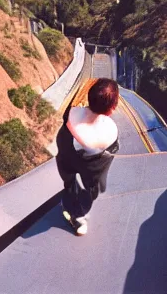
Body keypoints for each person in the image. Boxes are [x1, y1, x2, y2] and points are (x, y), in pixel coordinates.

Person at [56, 78, 120, 236]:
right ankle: (79, 213)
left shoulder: (72, 112)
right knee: (93, 187)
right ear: (112, 109)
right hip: (91, 164)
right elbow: (107, 154)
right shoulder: (110, 131)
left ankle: (70, 193)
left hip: (66, 149)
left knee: (68, 177)